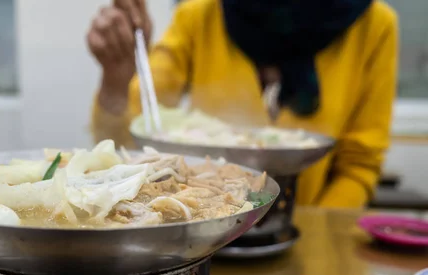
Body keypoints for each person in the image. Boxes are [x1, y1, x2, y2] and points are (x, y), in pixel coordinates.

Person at [87, 0, 398, 208]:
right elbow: (130, 138)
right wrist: (116, 80)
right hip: (201, 228)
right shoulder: (201, 14)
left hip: (306, 237)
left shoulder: (373, 25)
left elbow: (359, 166)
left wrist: (312, 239)